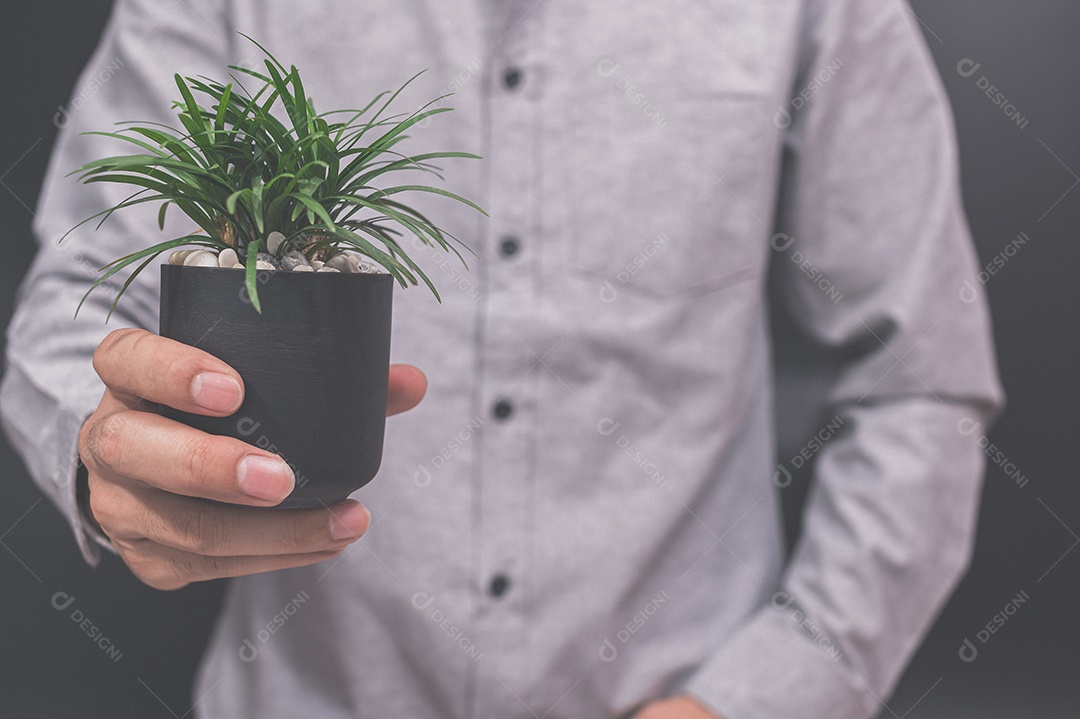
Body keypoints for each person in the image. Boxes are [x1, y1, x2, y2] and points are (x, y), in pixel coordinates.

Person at [0, 1, 1005, 717]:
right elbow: (77, 299)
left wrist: (768, 692)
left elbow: (922, 382)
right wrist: (122, 461)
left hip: (673, 680)